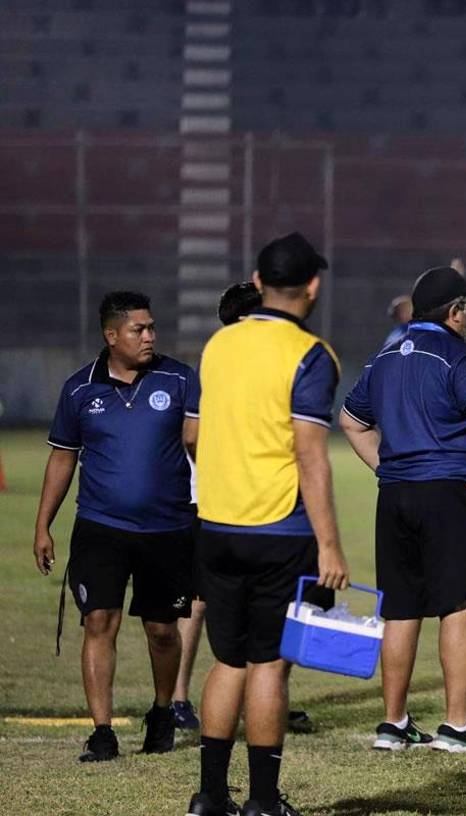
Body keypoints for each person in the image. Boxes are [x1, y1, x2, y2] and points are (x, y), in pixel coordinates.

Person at [186, 232, 351, 816]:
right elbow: (310, 456)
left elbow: (192, 434)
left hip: (215, 525)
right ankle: (261, 800)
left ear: (257, 282)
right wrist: (330, 545)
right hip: (278, 530)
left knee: (227, 661)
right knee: (268, 666)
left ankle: (210, 796)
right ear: (313, 286)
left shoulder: (218, 345)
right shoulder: (311, 355)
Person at [340, 265, 466, 754]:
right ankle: (456, 726)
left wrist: (389, 467)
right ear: (454, 313)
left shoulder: (383, 357)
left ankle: (393, 723)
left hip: (396, 495)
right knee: (459, 607)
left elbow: (351, 421)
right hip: (450, 492)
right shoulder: (460, 356)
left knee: (401, 608)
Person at [33, 290, 198, 762]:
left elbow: (200, 446)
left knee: (162, 630)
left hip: (168, 529)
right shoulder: (79, 390)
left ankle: (162, 711)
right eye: (138, 329)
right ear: (111, 335)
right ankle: (102, 732)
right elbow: (62, 458)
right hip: (100, 526)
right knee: (99, 622)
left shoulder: (180, 379)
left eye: (151, 328)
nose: (149, 337)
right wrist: (43, 525)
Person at [172, 282, 315, 736]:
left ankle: (226, 701)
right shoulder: (250, 361)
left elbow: (191, 436)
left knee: (219, 613)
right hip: (251, 506)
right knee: (226, 610)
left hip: (219, 504)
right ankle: (192, 699)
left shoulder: (214, 358)